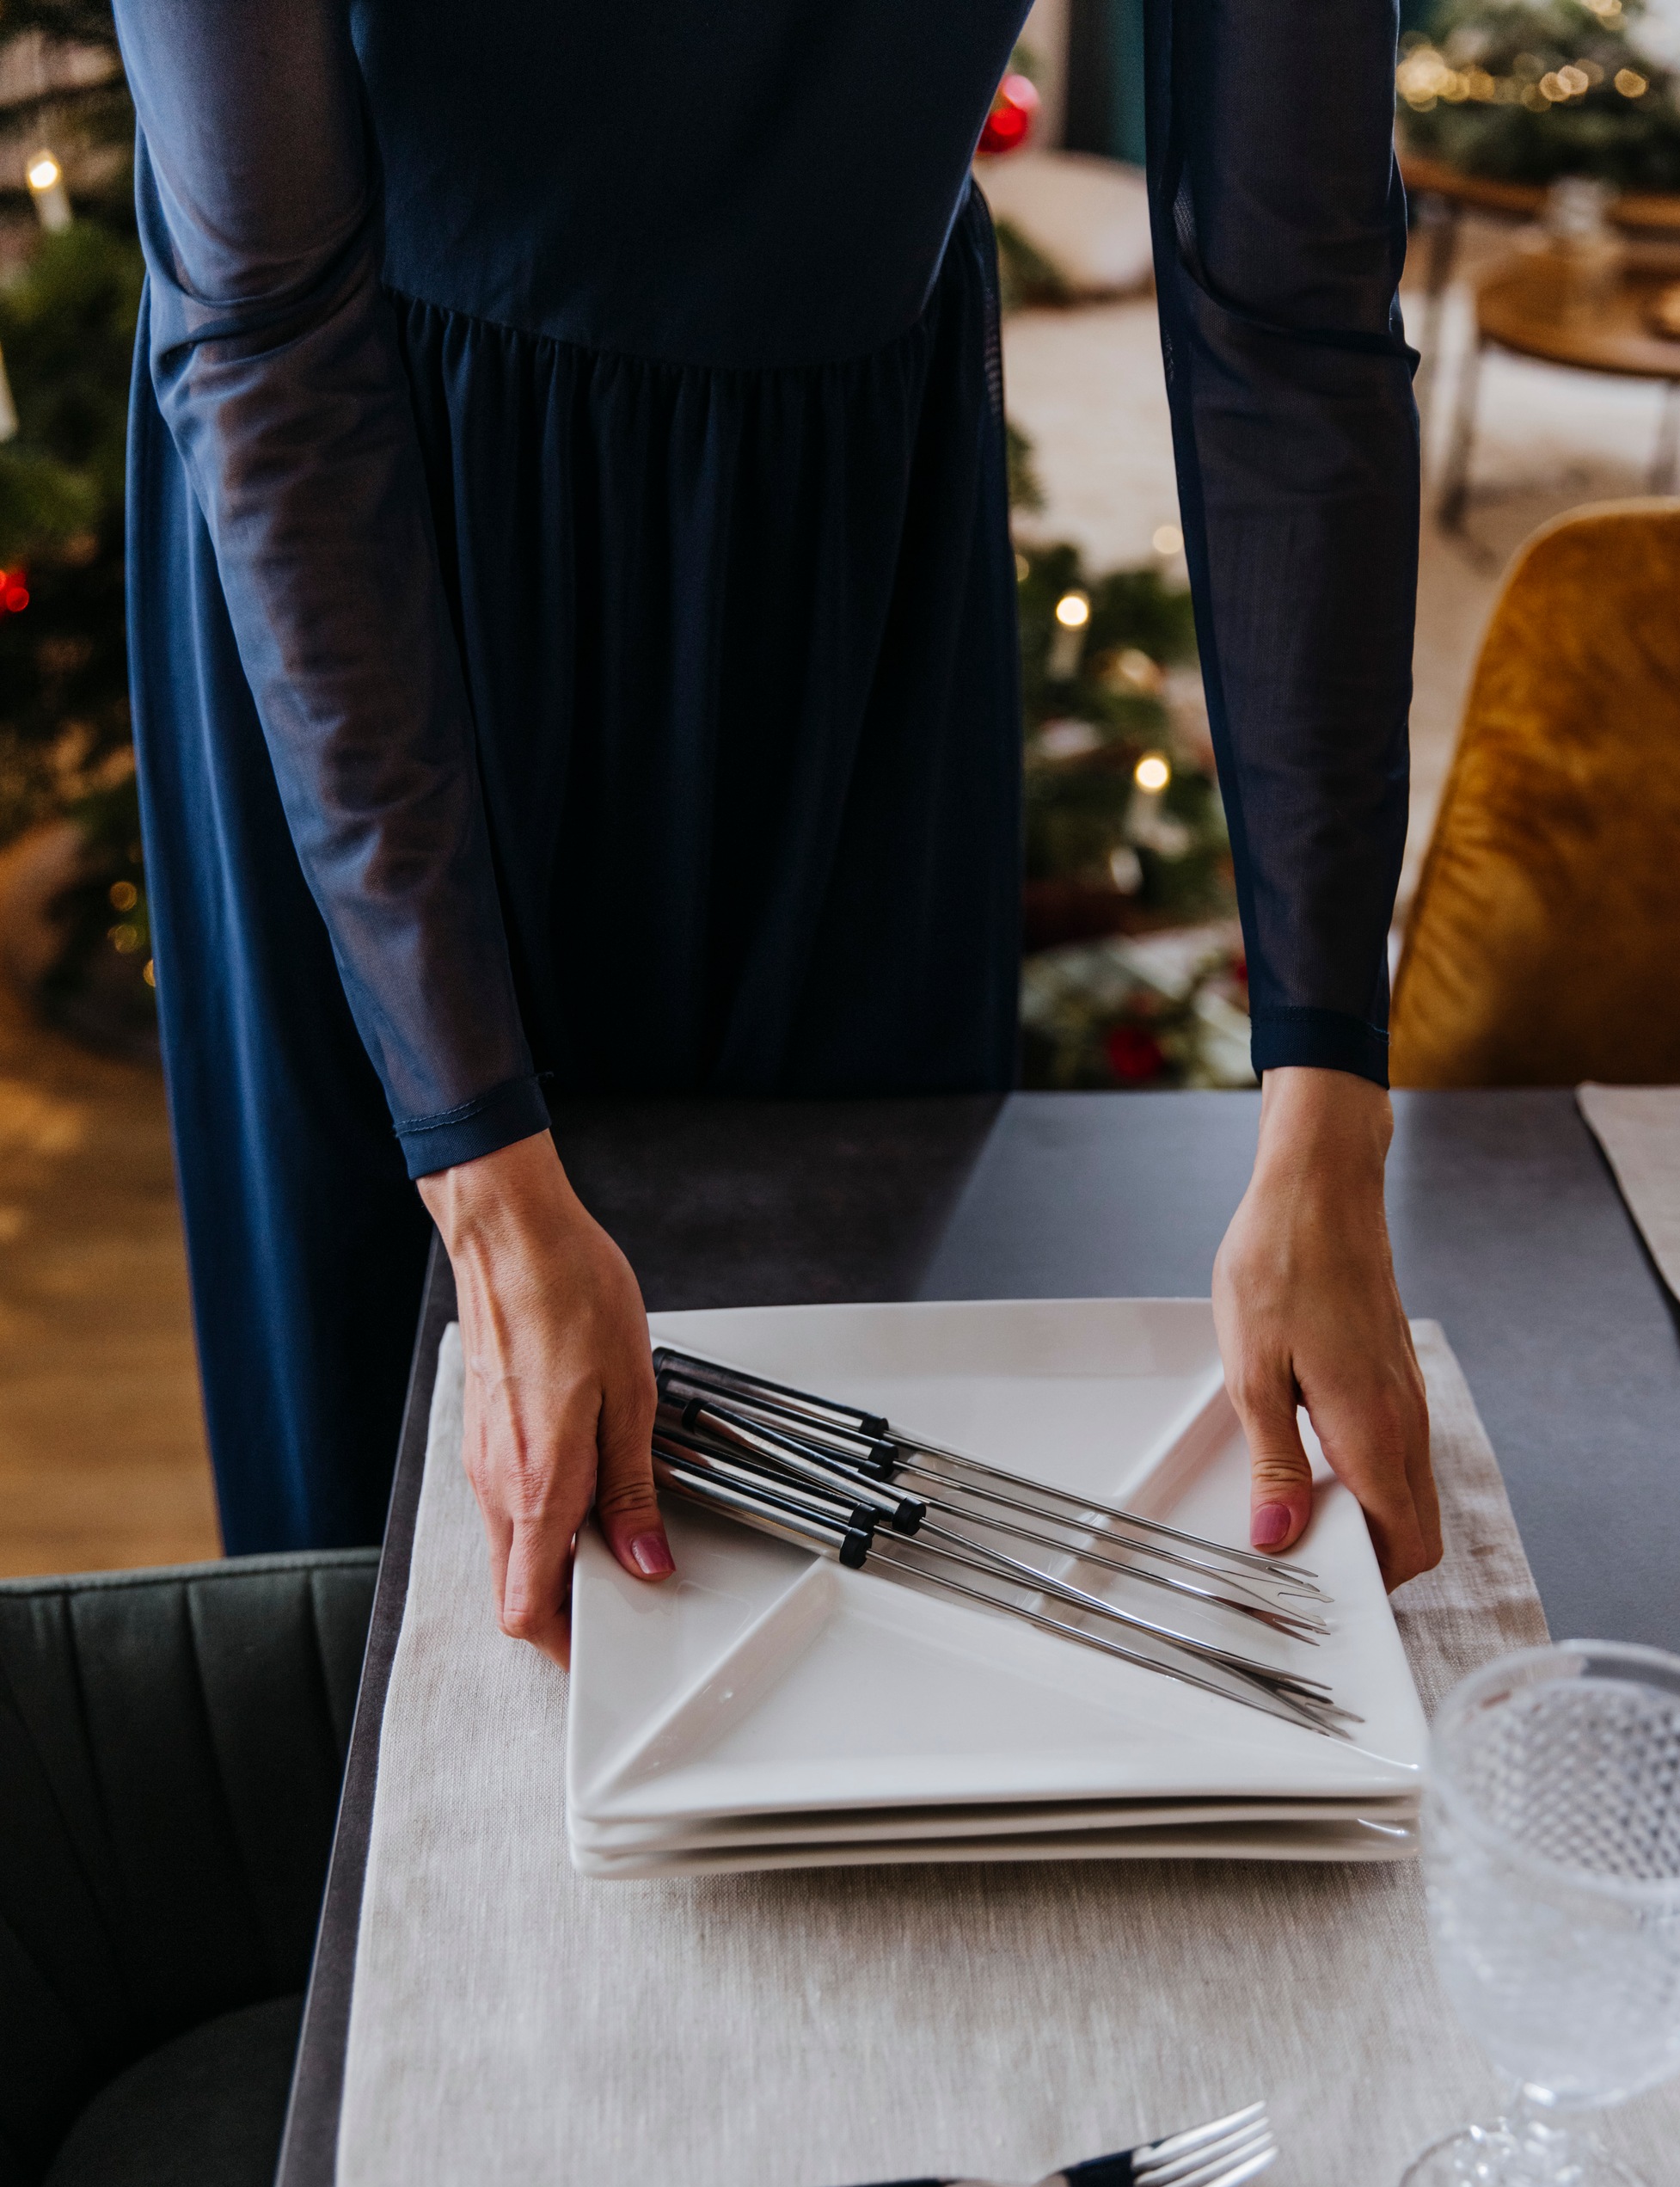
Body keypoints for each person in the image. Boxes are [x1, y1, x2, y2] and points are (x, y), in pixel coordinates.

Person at [117, 0, 1440, 1664]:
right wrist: (484, 1178)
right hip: (375, 565)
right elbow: (265, 329)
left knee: (853, 1509)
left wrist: (1327, 1113)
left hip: (852, 561)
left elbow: (1294, 299)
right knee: (421, 1560)